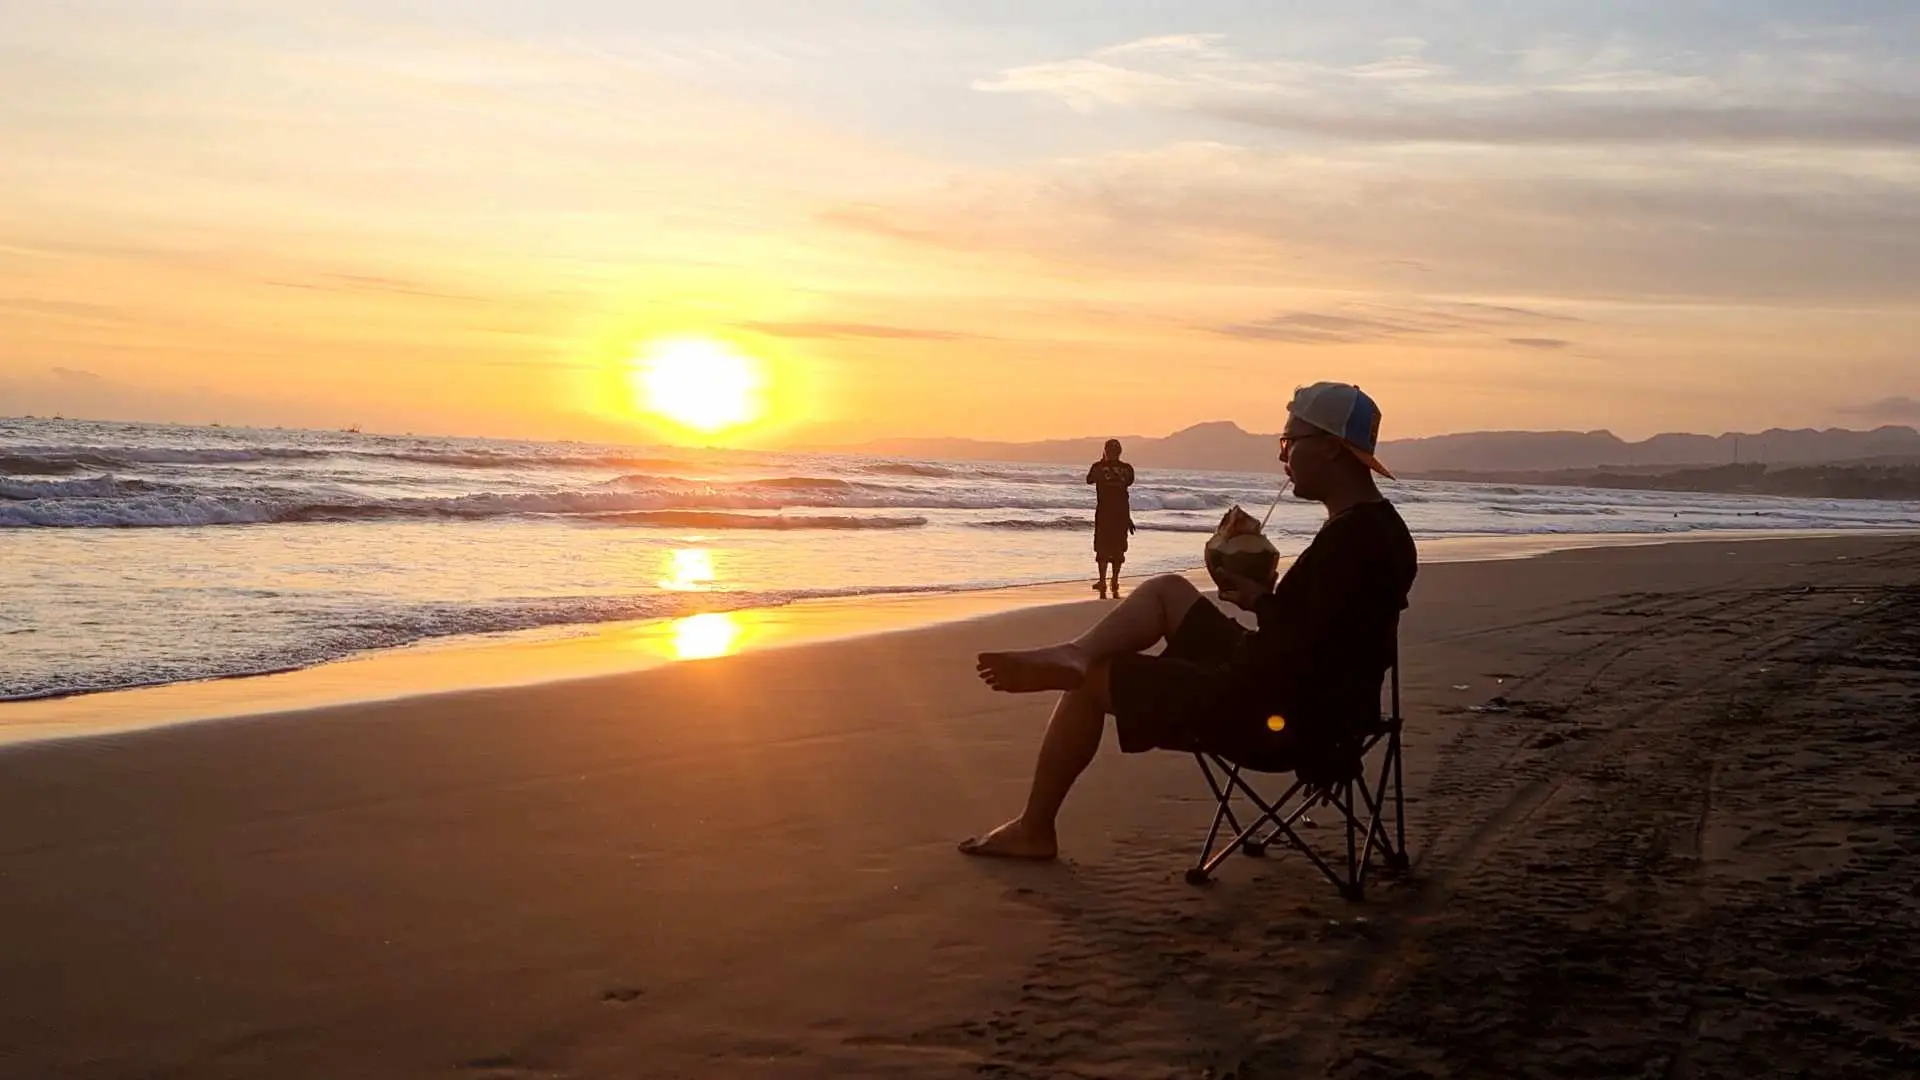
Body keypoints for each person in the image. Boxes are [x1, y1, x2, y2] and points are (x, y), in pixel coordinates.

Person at [962, 383, 1417, 860]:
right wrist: (1263, 599)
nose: (1281, 455)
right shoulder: (1376, 528)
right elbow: (1327, 638)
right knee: (1168, 591)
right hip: (1313, 699)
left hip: (1274, 711)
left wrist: (1263, 603)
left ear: (1327, 446)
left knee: (1092, 681)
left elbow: (1303, 650)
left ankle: (1035, 828)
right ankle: (1076, 651)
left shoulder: (1352, 543)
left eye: (1289, 442)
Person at [1086, 439, 1136, 598]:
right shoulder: (1127, 469)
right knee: (1118, 548)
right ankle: (1114, 580)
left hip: (1104, 513)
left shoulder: (1098, 467)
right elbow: (1127, 486)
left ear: (1105, 451)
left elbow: (1089, 480)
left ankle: (1102, 580)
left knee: (1102, 547)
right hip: (1122, 513)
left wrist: (1103, 460)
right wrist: (1128, 518)